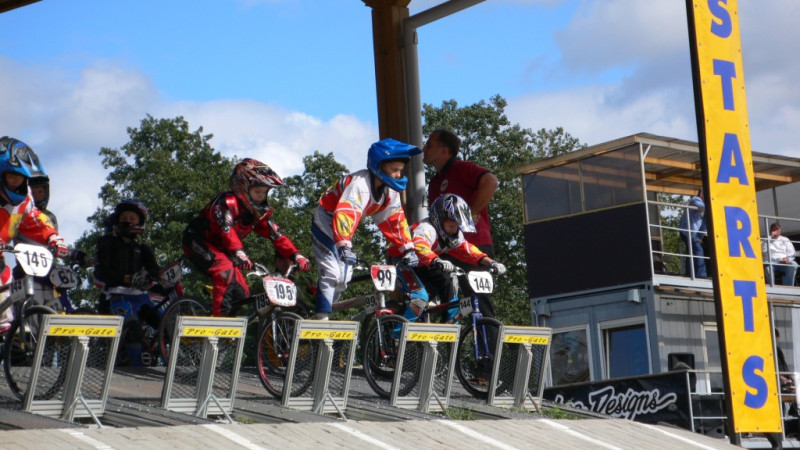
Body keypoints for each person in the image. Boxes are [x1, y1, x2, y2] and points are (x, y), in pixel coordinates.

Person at [183, 158, 311, 317]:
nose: (261, 196)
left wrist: (296, 255)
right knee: (224, 273)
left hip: (224, 251)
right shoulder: (226, 203)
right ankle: (218, 328)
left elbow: (277, 235)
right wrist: (240, 253)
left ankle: (228, 334)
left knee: (242, 292)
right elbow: (227, 230)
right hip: (198, 241)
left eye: (264, 192)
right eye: (257, 192)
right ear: (243, 187)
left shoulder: (256, 213)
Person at [311, 138, 421, 320]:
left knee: (344, 279)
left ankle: (322, 307)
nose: (398, 174)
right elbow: (346, 212)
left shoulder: (390, 192)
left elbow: (395, 221)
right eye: (394, 169)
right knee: (332, 273)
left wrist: (407, 248)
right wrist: (344, 245)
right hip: (326, 220)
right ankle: (321, 318)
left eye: (400, 170)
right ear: (379, 166)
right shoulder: (359, 184)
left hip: (344, 230)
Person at [387, 194, 506, 323]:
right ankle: (397, 334)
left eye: (457, 226)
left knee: (448, 283)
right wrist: (437, 260)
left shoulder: (454, 233)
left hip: (423, 263)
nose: (453, 230)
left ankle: (450, 326)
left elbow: (468, 250)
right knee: (419, 299)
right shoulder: (426, 229)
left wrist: (490, 262)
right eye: (450, 226)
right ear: (439, 219)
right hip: (402, 261)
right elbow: (421, 247)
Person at [422, 129, 500, 318]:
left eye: (429, 145)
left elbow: (491, 181)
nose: (424, 149)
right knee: (425, 291)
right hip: (448, 249)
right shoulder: (434, 182)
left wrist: (472, 212)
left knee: (479, 302)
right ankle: (436, 340)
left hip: (474, 245)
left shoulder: (461, 168)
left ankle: (487, 346)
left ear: (444, 150)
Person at [0, 136, 69, 333]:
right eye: (12, 176)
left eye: (21, 177)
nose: (16, 182)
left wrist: (52, 237)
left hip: (0, 259)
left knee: (5, 316)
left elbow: (36, 221)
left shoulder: (25, 200)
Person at [94, 199, 161, 366]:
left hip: (141, 297)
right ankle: (135, 369)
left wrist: (149, 276)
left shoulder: (143, 248)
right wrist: (126, 278)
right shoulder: (107, 242)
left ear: (140, 222)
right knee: (132, 327)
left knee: (166, 323)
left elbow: (155, 270)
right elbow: (102, 270)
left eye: (133, 218)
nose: (128, 221)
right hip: (115, 297)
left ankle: (172, 364)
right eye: (124, 217)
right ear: (117, 220)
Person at [678, 189, 707, 278]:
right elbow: (700, 205)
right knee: (698, 250)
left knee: (691, 251)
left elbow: (704, 223)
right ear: (701, 194)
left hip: (693, 232)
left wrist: (700, 237)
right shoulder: (695, 199)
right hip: (687, 231)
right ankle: (701, 275)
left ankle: (689, 273)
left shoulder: (705, 206)